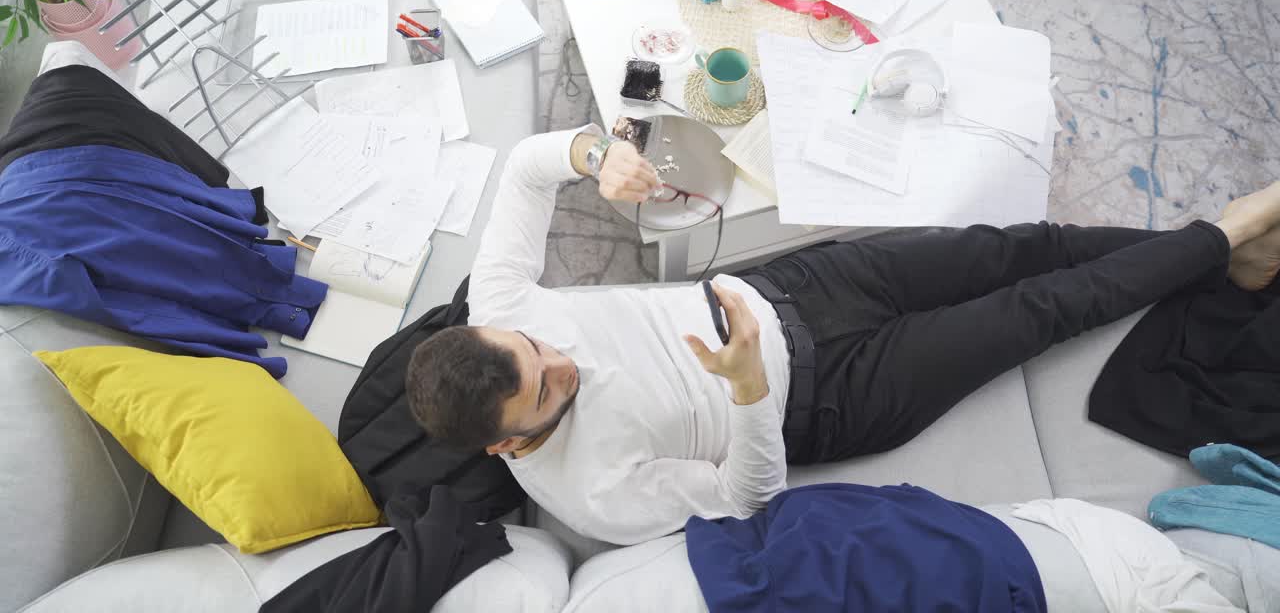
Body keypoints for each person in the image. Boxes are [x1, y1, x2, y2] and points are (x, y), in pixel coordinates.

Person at [405, 123, 1280, 546]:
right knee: (1040, 312)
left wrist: (598, 159)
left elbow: (524, 171)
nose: (564, 363)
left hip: (792, 286)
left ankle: (1225, 260)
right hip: (831, 398)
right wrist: (747, 387)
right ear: (507, 449)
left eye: (539, 350)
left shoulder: (500, 306)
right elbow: (748, 494)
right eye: (547, 389)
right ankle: (1229, 237)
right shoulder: (594, 495)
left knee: (1013, 248)